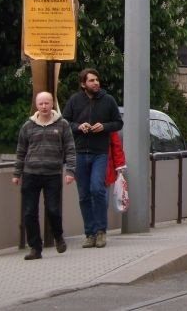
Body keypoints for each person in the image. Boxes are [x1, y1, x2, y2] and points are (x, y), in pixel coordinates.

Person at [63, 68, 123, 249]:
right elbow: (65, 122)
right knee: (84, 195)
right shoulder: (75, 100)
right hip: (80, 152)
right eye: (91, 80)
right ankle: (89, 233)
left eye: (97, 80)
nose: (96, 83)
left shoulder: (108, 100)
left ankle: (101, 231)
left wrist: (104, 127)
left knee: (97, 189)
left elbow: (118, 123)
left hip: (100, 153)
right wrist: (78, 126)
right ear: (83, 84)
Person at [12, 91, 76, 260]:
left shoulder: (62, 124)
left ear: (52, 104)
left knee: (53, 210)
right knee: (29, 213)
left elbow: (70, 149)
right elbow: (21, 151)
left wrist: (70, 171)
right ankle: (35, 248)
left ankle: (58, 236)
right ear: (36, 106)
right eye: (41, 104)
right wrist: (17, 173)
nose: (44, 106)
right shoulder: (28, 126)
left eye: (47, 103)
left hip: (52, 174)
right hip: (31, 173)